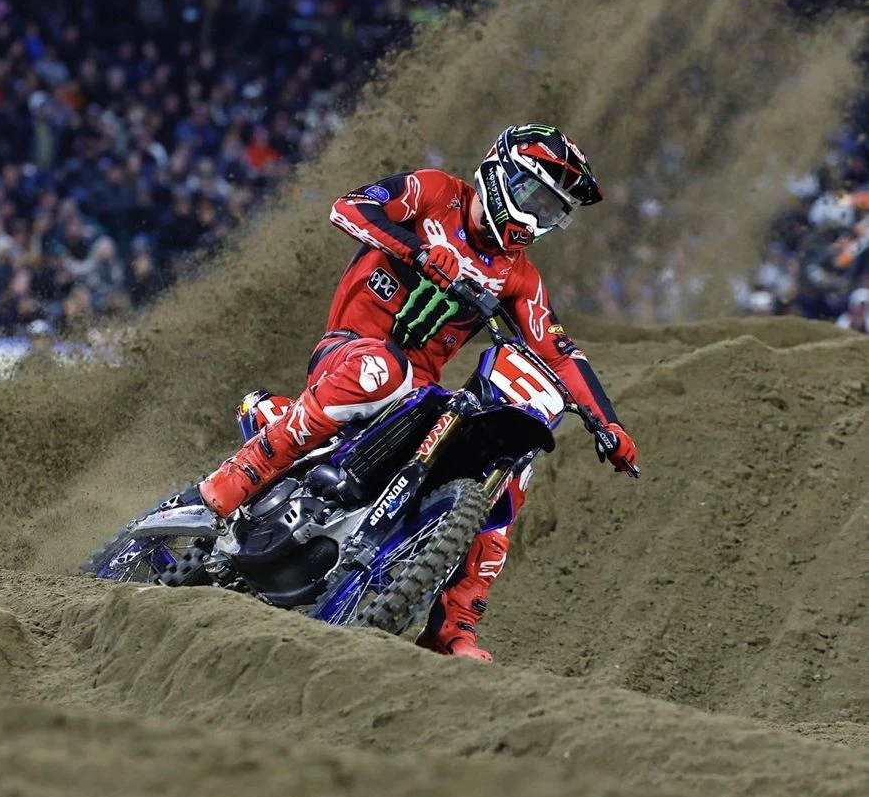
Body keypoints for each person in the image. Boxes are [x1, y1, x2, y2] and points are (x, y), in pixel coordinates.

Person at [199, 124, 639, 660]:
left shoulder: (518, 277)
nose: (536, 218)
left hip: (417, 391)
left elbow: (560, 353)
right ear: (503, 174)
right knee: (383, 367)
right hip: (350, 349)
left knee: (512, 464)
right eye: (536, 199)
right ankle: (243, 471)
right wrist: (420, 252)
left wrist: (607, 423)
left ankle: (455, 625)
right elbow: (350, 208)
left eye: (551, 212)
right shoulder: (434, 192)